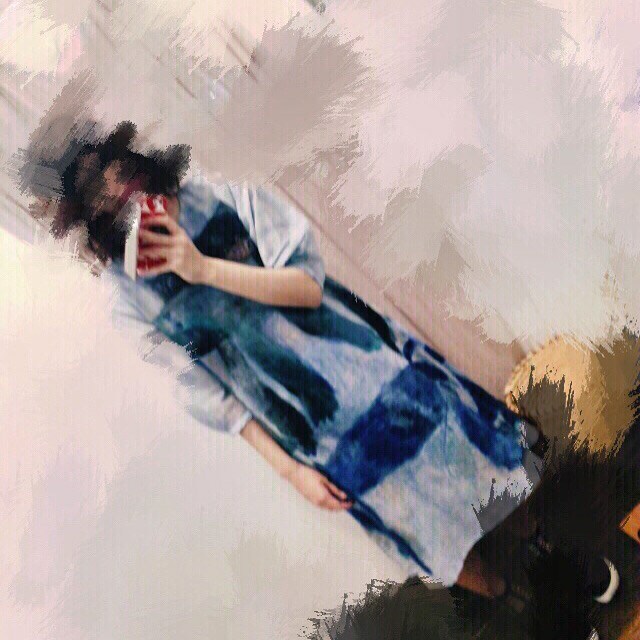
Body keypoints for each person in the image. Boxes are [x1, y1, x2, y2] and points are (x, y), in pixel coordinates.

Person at [29, 122, 543, 598]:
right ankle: (514, 601)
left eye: (116, 172)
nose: (121, 194)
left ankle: (550, 549)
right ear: (91, 220)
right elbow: (211, 394)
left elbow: (305, 286)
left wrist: (203, 269)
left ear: (134, 160)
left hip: (375, 369)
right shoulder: (129, 299)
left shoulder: (220, 196)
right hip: (314, 431)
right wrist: (291, 472)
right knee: (426, 529)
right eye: (99, 197)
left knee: (485, 469)